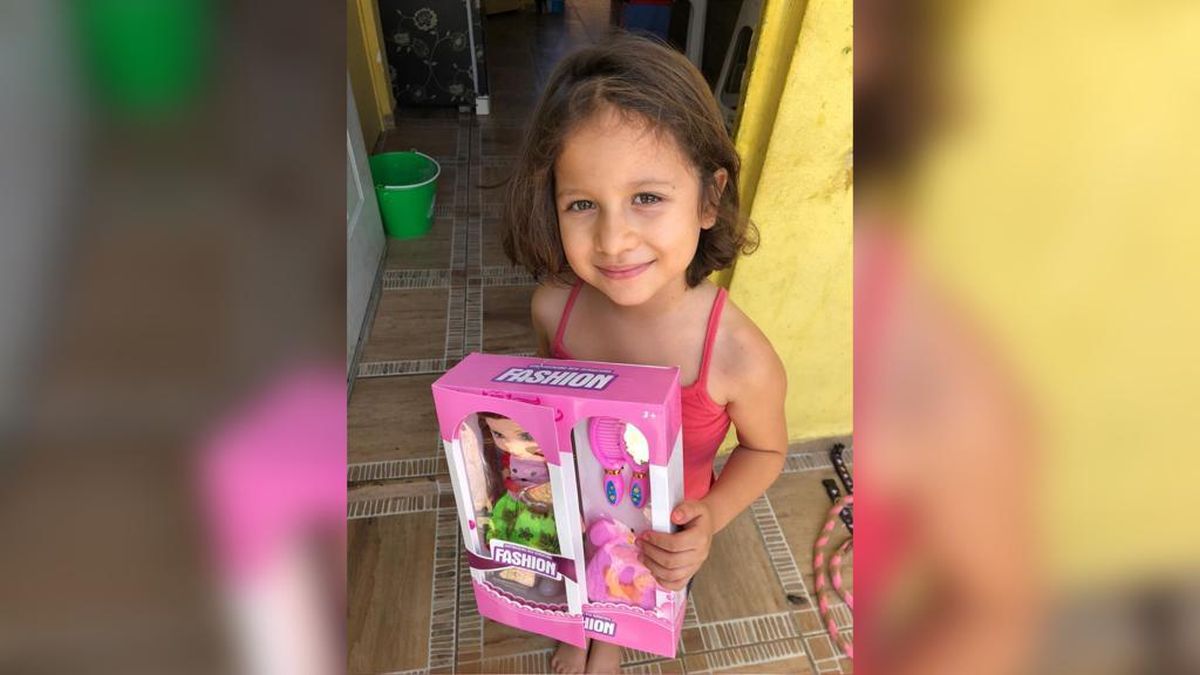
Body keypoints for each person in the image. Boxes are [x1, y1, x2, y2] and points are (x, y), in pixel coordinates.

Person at [500, 33, 789, 674]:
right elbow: (547, 404)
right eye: (582, 205)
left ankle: (610, 638)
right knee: (578, 564)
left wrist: (710, 515)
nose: (613, 239)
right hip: (575, 503)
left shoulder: (737, 356)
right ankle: (578, 624)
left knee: (630, 580)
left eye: (647, 198)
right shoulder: (554, 308)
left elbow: (766, 452)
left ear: (709, 198)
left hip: (662, 531)